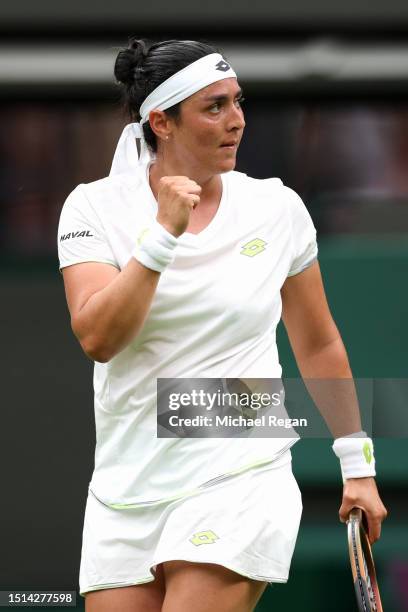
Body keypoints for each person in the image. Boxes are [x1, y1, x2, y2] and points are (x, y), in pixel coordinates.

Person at [57, 38, 387, 612]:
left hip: (241, 469)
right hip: (123, 491)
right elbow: (98, 338)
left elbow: (318, 342)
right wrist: (162, 236)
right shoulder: (91, 208)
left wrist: (356, 464)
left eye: (238, 102)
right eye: (214, 107)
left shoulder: (276, 208)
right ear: (161, 121)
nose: (237, 121)